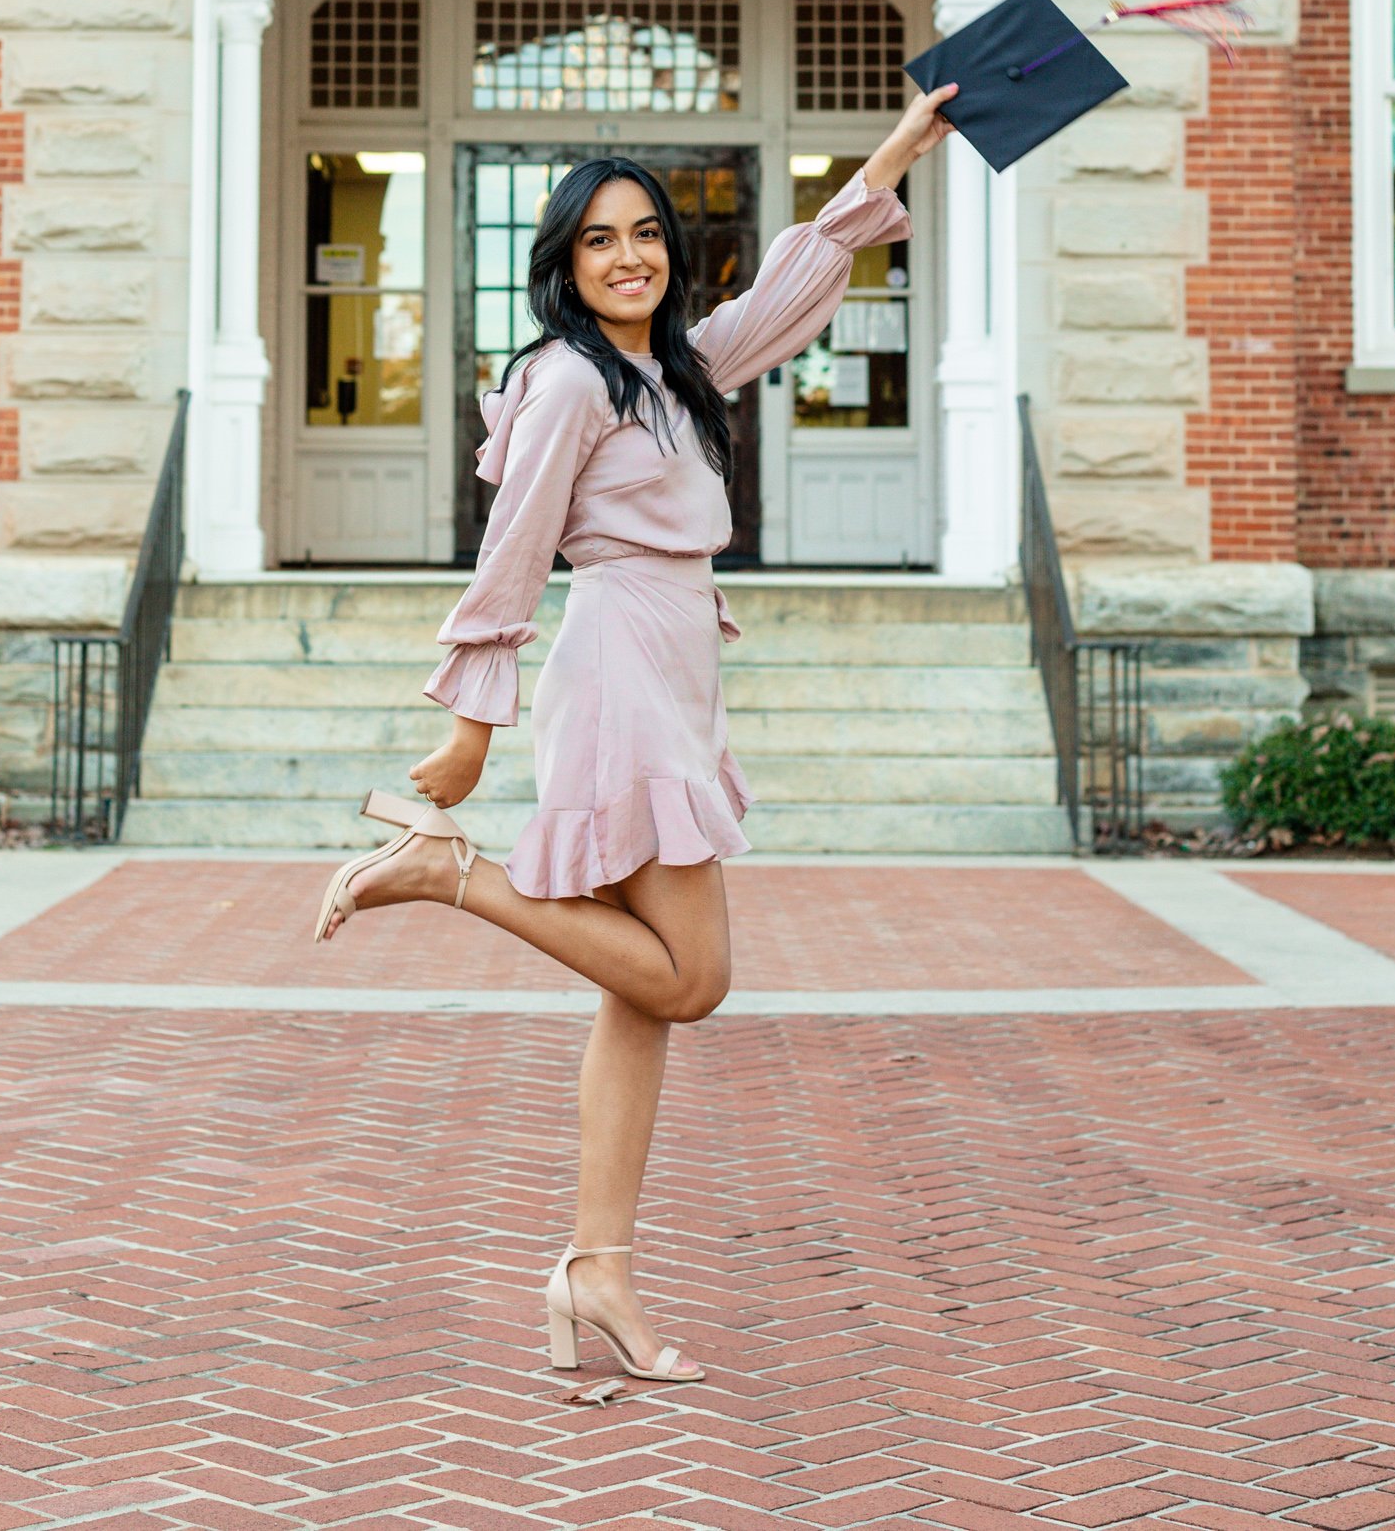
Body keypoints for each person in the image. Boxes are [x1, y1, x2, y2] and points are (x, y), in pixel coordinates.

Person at [314, 83, 958, 1382]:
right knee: (693, 977)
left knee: (640, 990)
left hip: (672, 670)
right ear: (564, 261)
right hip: (616, 670)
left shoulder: (672, 371)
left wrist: (892, 150)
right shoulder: (565, 382)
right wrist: (472, 735)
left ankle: (594, 1273)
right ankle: (451, 873)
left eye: (647, 232)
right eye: (600, 238)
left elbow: (794, 281)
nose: (630, 255)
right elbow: (513, 552)